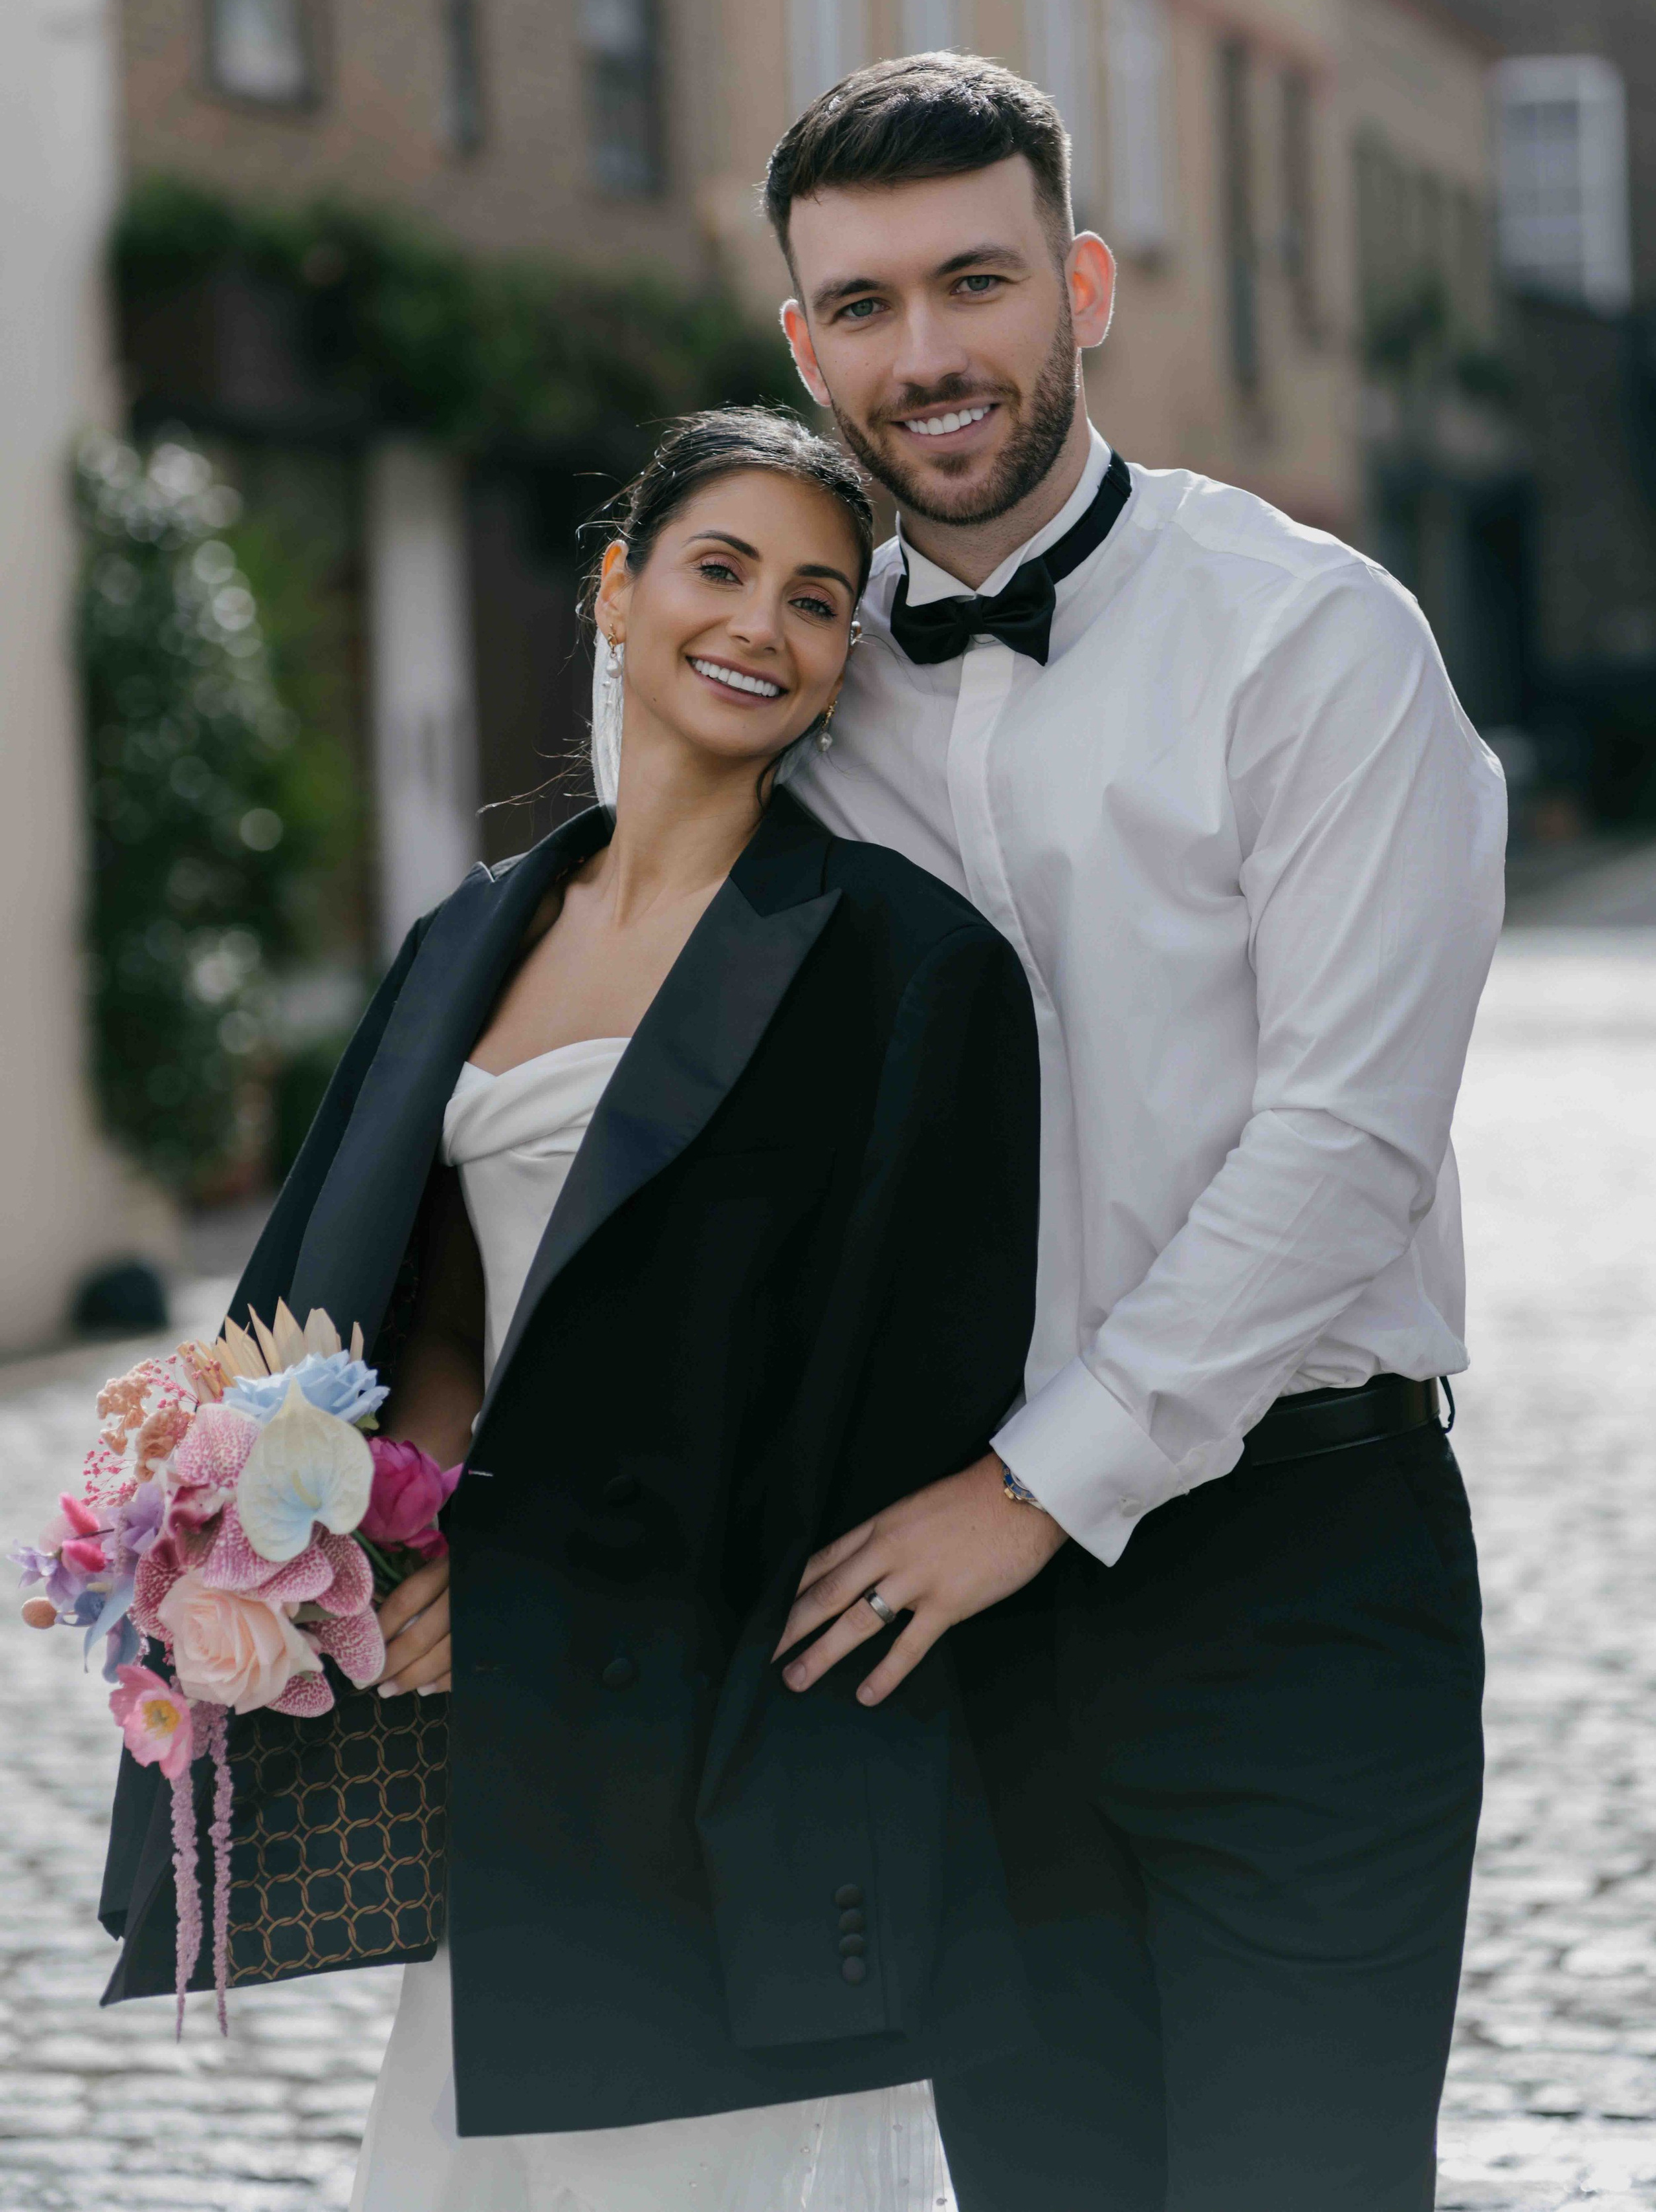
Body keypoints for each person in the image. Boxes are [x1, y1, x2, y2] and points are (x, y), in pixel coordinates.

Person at [97, 410, 1045, 2210]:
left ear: (847, 660)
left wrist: (540, 1587)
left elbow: (896, 1403)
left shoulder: (908, 967)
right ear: (614, 593)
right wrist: (376, 1530)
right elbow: (422, 1300)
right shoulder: (472, 933)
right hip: (512, 1757)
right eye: (720, 569)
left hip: (725, 1743)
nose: (763, 624)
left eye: (818, 599)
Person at [769, 54, 1507, 2211]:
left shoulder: (1315, 642)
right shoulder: (796, 691)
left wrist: (1032, 1487)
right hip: (953, 1642)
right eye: (867, 305)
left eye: (977, 281)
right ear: (805, 346)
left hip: (1297, 1577)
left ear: (1082, 285)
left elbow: (1345, 1148)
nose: (930, 354)